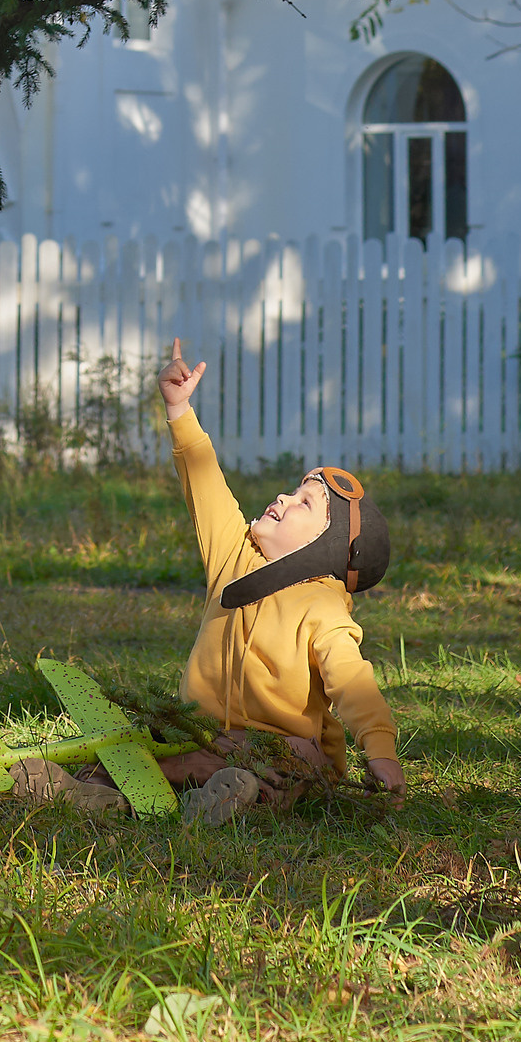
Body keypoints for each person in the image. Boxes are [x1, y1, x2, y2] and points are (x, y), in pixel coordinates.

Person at [155, 335, 405, 802]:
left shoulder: (323, 606)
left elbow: (353, 681)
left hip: (289, 749)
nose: (283, 499)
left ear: (326, 546)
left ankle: (236, 797)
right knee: (160, 747)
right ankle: (92, 790)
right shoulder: (233, 555)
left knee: (292, 760)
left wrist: (380, 749)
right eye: (293, 491)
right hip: (207, 734)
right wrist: (179, 411)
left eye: (303, 503)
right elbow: (203, 480)